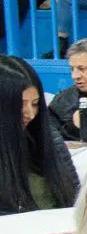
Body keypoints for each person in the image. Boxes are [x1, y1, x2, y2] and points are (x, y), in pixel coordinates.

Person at [0, 55, 79, 215]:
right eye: (20, 104)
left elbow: (75, 196)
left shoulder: (47, 137)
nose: (30, 113)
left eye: (35, 104)